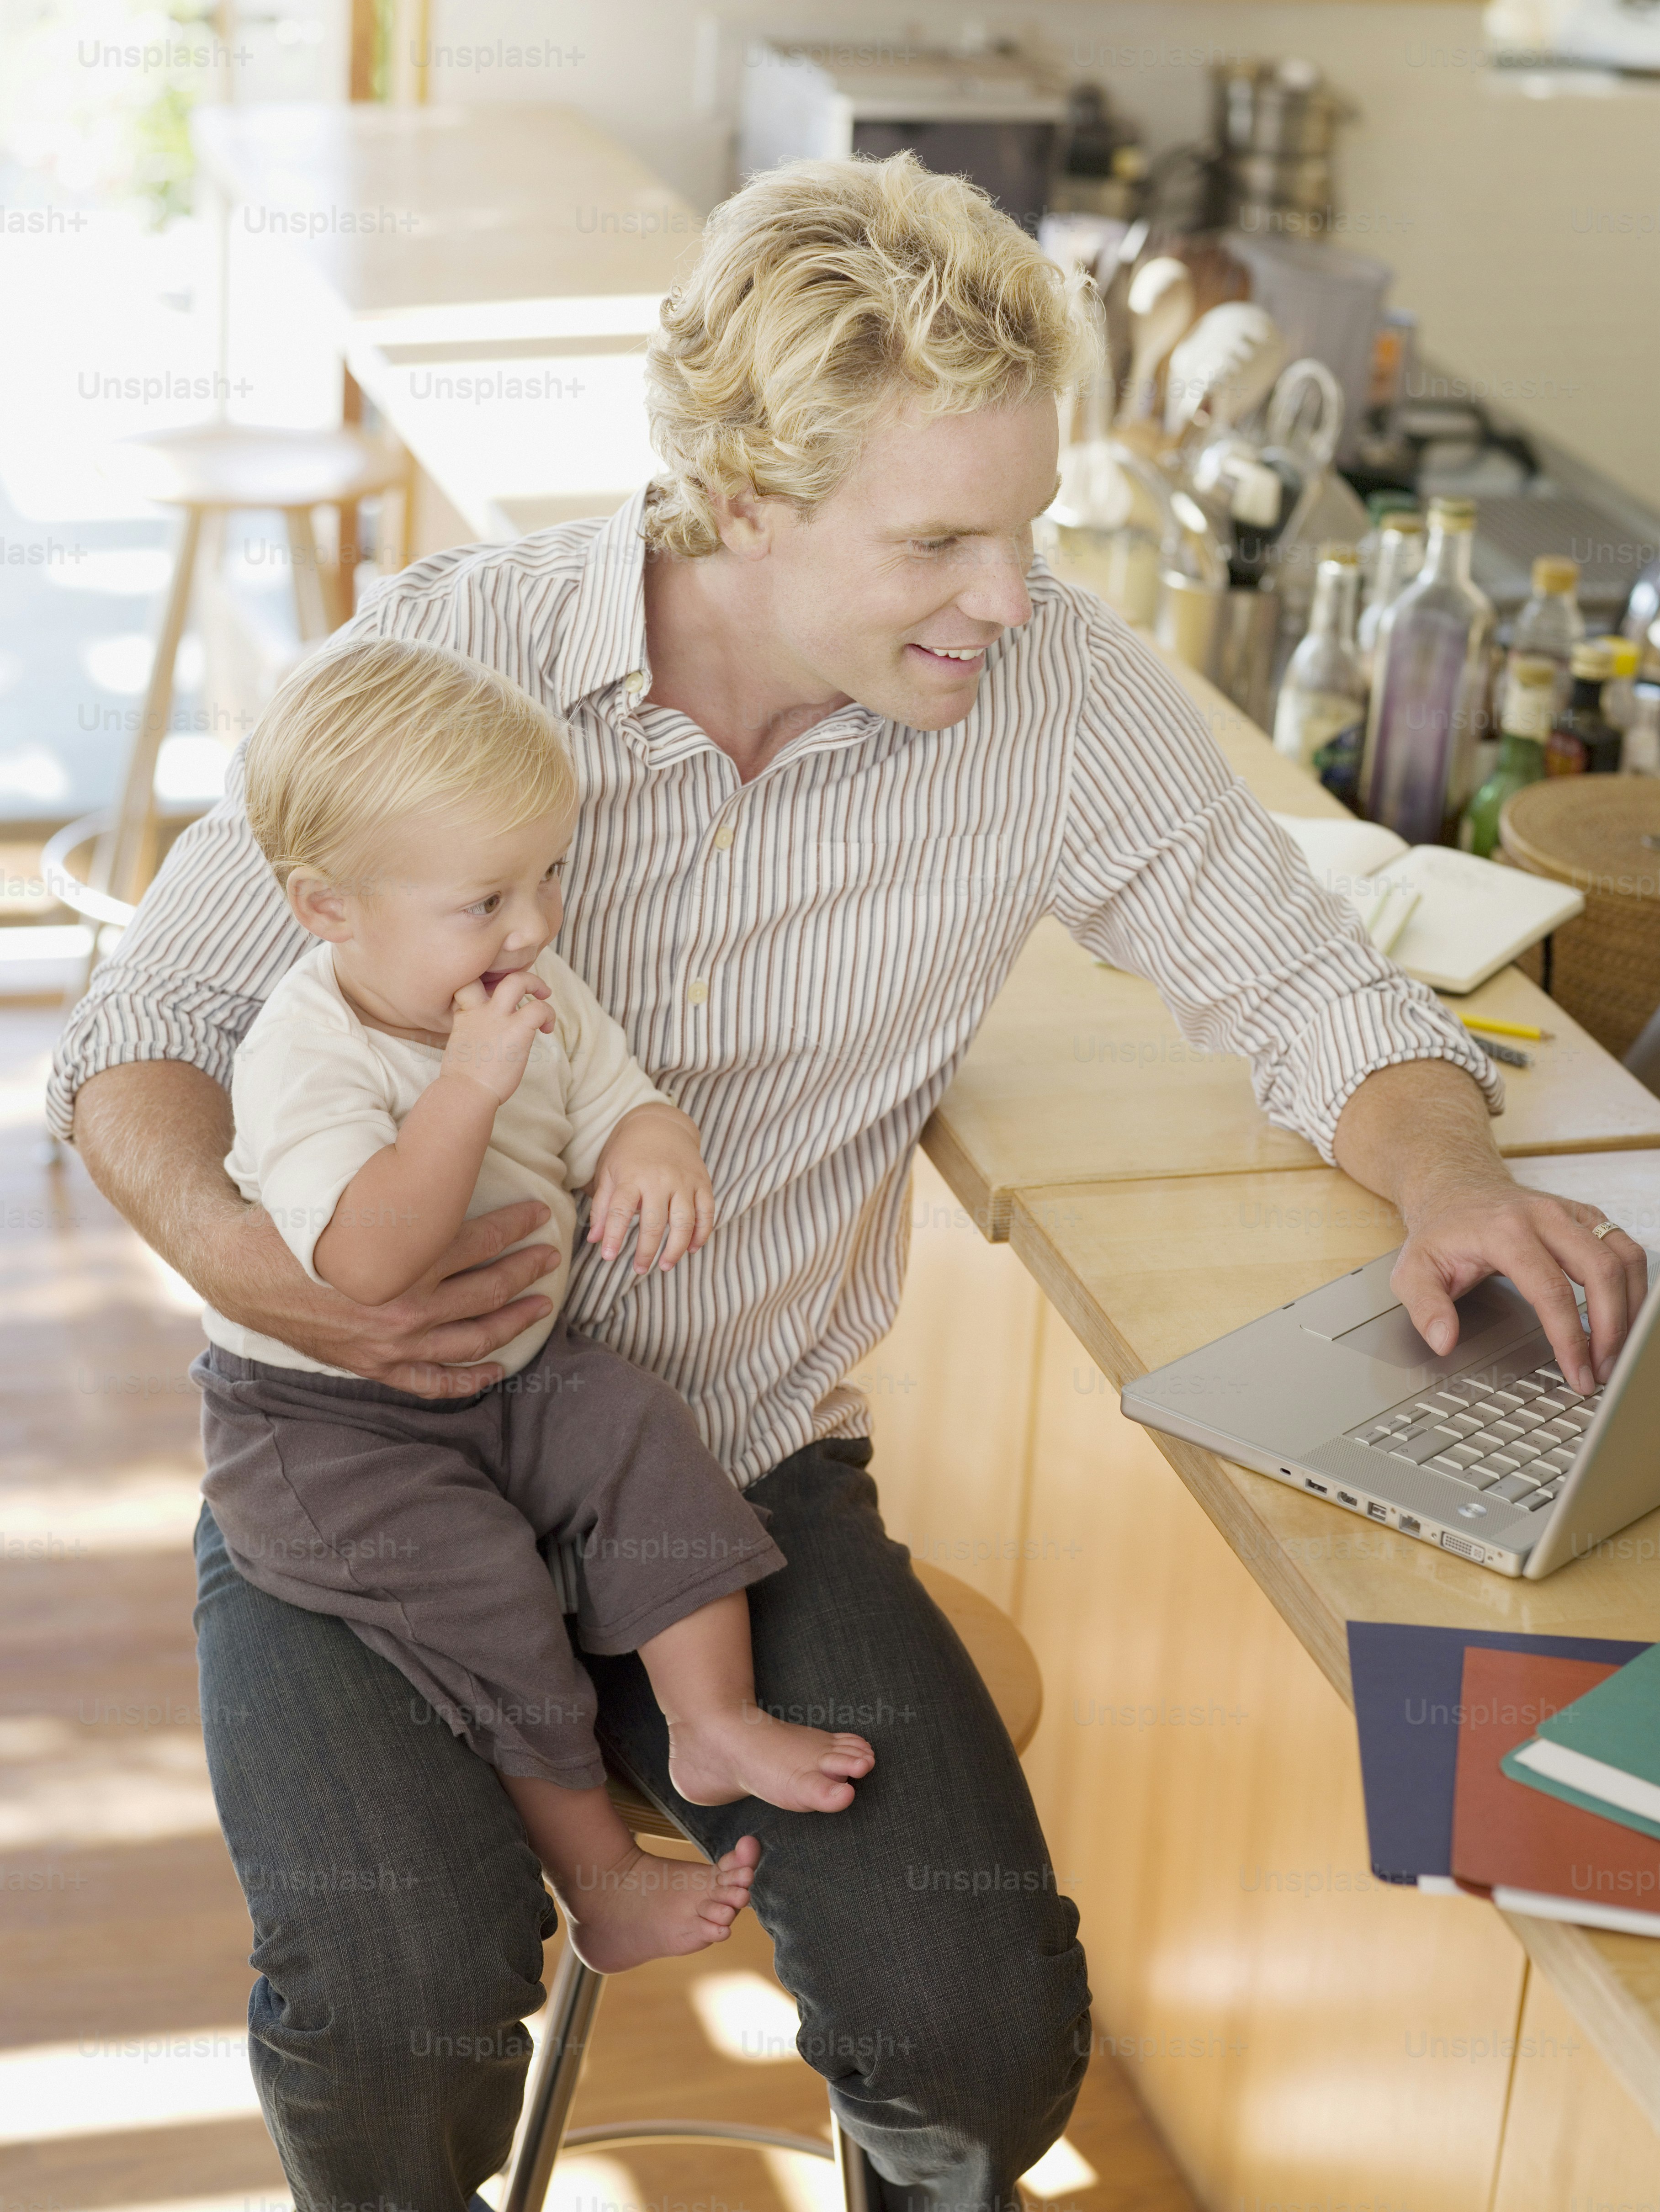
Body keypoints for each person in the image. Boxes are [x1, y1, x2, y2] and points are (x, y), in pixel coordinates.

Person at [53, 152, 1648, 2212]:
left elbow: (1308, 981)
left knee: (984, 2040)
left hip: (730, 1468)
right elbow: (136, 1037)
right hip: (361, 1451)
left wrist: (1444, 1174)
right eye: (941, 538)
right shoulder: (454, 663)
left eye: (1030, 525)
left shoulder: (1045, 693)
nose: (1011, 592)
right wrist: (276, 1281)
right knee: (393, 1997)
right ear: (740, 504)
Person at [195, 634, 876, 1974]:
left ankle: (713, 1717)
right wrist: (469, 1085)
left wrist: (649, 1140)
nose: (536, 925)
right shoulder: (307, 1052)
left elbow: (613, 1090)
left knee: (638, 1423)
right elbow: (369, 1266)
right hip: (330, 1424)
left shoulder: (523, 989)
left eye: (550, 875)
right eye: (487, 899)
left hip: (520, 1374)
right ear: (328, 908)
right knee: (489, 1592)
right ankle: (599, 1871)